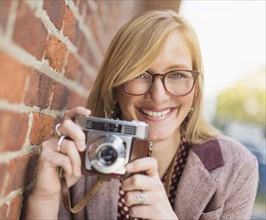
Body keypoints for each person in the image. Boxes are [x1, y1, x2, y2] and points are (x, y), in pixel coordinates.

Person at [25, 10, 258, 219]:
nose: (158, 96)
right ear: (114, 87)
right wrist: (45, 199)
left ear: (196, 88)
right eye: (140, 74)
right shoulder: (80, 153)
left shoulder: (235, 168)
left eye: (177, 75)